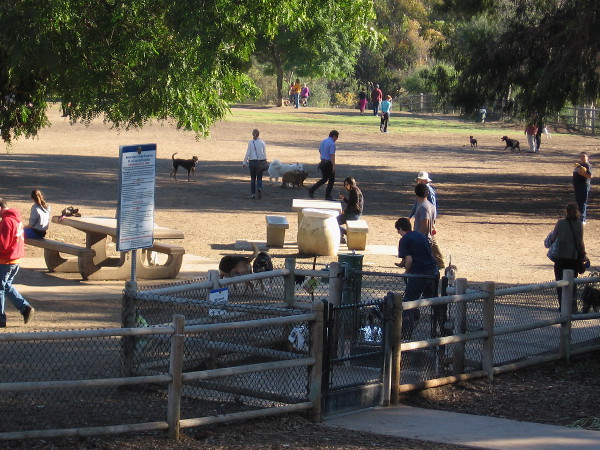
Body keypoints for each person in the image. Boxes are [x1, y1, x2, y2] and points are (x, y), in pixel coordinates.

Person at [394, 217, 439, 339]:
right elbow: (419, 254)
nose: (399, 233)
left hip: (419, 274)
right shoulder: (420, 235)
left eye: (398, 231)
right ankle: (441, 326)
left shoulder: (404, 239)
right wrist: (402, 264)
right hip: (433, 271)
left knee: (409, 302)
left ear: (401, 229)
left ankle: (405, 334)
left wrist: (406, 272)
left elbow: (409, 259)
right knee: (435, 301)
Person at [0, 197, 35, 327]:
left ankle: (1, 318)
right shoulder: (16, 219)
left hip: (5, 260)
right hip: (15, 259)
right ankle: (25, 308)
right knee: (6, 285)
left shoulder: (6, 221)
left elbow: (2, 244)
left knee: (0, 288)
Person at [547, 203, 587, 312]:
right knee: (572, 284)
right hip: (573, 258)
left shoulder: (560, 223)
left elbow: (553, 238)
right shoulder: (579, 224)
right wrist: (583, 255)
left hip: (560, 257)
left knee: (560, 283)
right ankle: (572, 306)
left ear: (566, 211)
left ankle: (562, 306)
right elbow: (580, 242)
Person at [413, 183, 445, 269]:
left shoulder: (423, 207)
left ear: (416, 193)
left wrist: (416, 237)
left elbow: (424, 225)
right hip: (429, 237)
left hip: (423, 239)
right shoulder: (431, 206)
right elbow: (433, 222)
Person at [308, 130, 339, 201]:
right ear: (334, 136)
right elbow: (332, 155)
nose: (336, 140)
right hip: (328, 163)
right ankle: (327, 196)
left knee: (324, 179)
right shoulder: (332, 144)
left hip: (322, 163)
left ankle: (312, 189)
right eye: (336, 138)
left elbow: (319, 150)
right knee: (331, 180)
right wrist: (333, 166)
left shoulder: (323, 141)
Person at [242, 129, 267, 200]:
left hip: (252, 162)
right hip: (260, 162)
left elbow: (248, 152)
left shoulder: (250, 142)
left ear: (252, 134)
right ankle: (259, 188)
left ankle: (253, 194)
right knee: (259, 178)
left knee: (253, 178)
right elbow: (264, 153)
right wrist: (265, 160)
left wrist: (244, 162)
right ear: (258, 134)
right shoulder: (262, 142)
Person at [337, 177, 364, 243]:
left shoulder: (354, 191)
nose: (346, 187)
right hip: (353, 213)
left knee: (334, 221)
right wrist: (344, 199)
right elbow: (352, 203)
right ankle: (343, 236)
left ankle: (346, 233)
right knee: (336, 221)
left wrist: (345, 212)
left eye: (347, 184)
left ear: (351, 184)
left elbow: (355, 206)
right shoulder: (354, 190)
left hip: (354, 214)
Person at [573, 152, 592, 224]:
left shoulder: (587, 165)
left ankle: (582, 218)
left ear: (587, 157)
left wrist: (581, 173)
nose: (582, 158)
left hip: (583, 186)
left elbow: (590, 176)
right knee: (579, 202)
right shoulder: (580, 165)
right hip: (577, 186)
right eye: (581, 156)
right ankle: (579, 217)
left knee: (583, 202)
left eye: (584, 156)